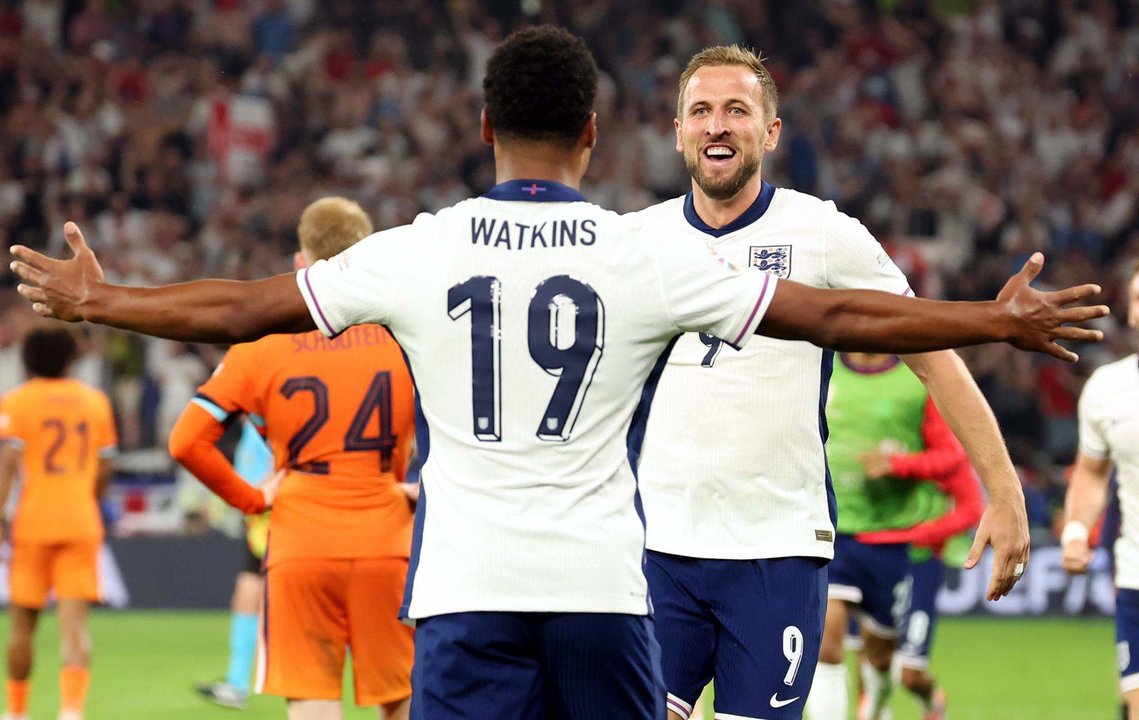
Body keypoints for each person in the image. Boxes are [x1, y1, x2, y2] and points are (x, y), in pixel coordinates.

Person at [8, 26, 1106, 719]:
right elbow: (834, 315)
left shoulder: (421, 245)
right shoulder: (644, 257)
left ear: (484, 127)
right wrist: (989, 320)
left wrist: (103, 299)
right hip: (599, 593)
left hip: (465, 592)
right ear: (592, 133)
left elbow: (244, 306)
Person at [628, 44, 1042, 720]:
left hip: (776, 554)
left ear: (770, 132)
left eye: (737, 110)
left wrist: (1004, 491)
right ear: (677, 135)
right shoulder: (635, 240)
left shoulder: (819, 233)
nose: (716, 126)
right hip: (657, 551)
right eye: (699, 111)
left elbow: (930, 352)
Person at [168, 196, 417, 720]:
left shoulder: (262, 345)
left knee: (312, 704)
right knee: (402, 701)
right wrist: (421, 490)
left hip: (301, 536)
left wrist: (253, 498)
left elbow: (186, 441)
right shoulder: (406, 339)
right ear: (367, 254)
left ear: (301, 263)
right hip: (386, 532)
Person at [823, 351, 984, 720]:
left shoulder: (918, 390)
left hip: (907, 556)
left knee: (899, 669)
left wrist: (920, 531)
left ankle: (916, 702)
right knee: (827, 648)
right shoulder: (825, 370)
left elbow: (969, 499)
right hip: (837, 537)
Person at [0, 326, 118, 720]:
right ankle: (71, 711)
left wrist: (0, 516)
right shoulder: (95, 402)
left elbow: (6, 466)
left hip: (33, 523)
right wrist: (91, 501)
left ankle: (16, 713)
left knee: (21, 627)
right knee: (75, 627)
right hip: (80, 523)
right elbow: (106, 464)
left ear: (27, 359)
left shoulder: (18, 402)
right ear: (71, 359)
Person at [1062, 260, 1139, 720]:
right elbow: (1091, 473)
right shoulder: (1107, 389)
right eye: (1138, 299)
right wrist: (1075, 531)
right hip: (1136, 577)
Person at [194, 419, 273, 710]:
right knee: (246, 596)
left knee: (269, 601)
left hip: (271, 518)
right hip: (258, 521)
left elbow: (282, 467)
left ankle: (239, 682)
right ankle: (236, 682)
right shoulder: (254, 427)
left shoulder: (269, 423)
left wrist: (252, 496)